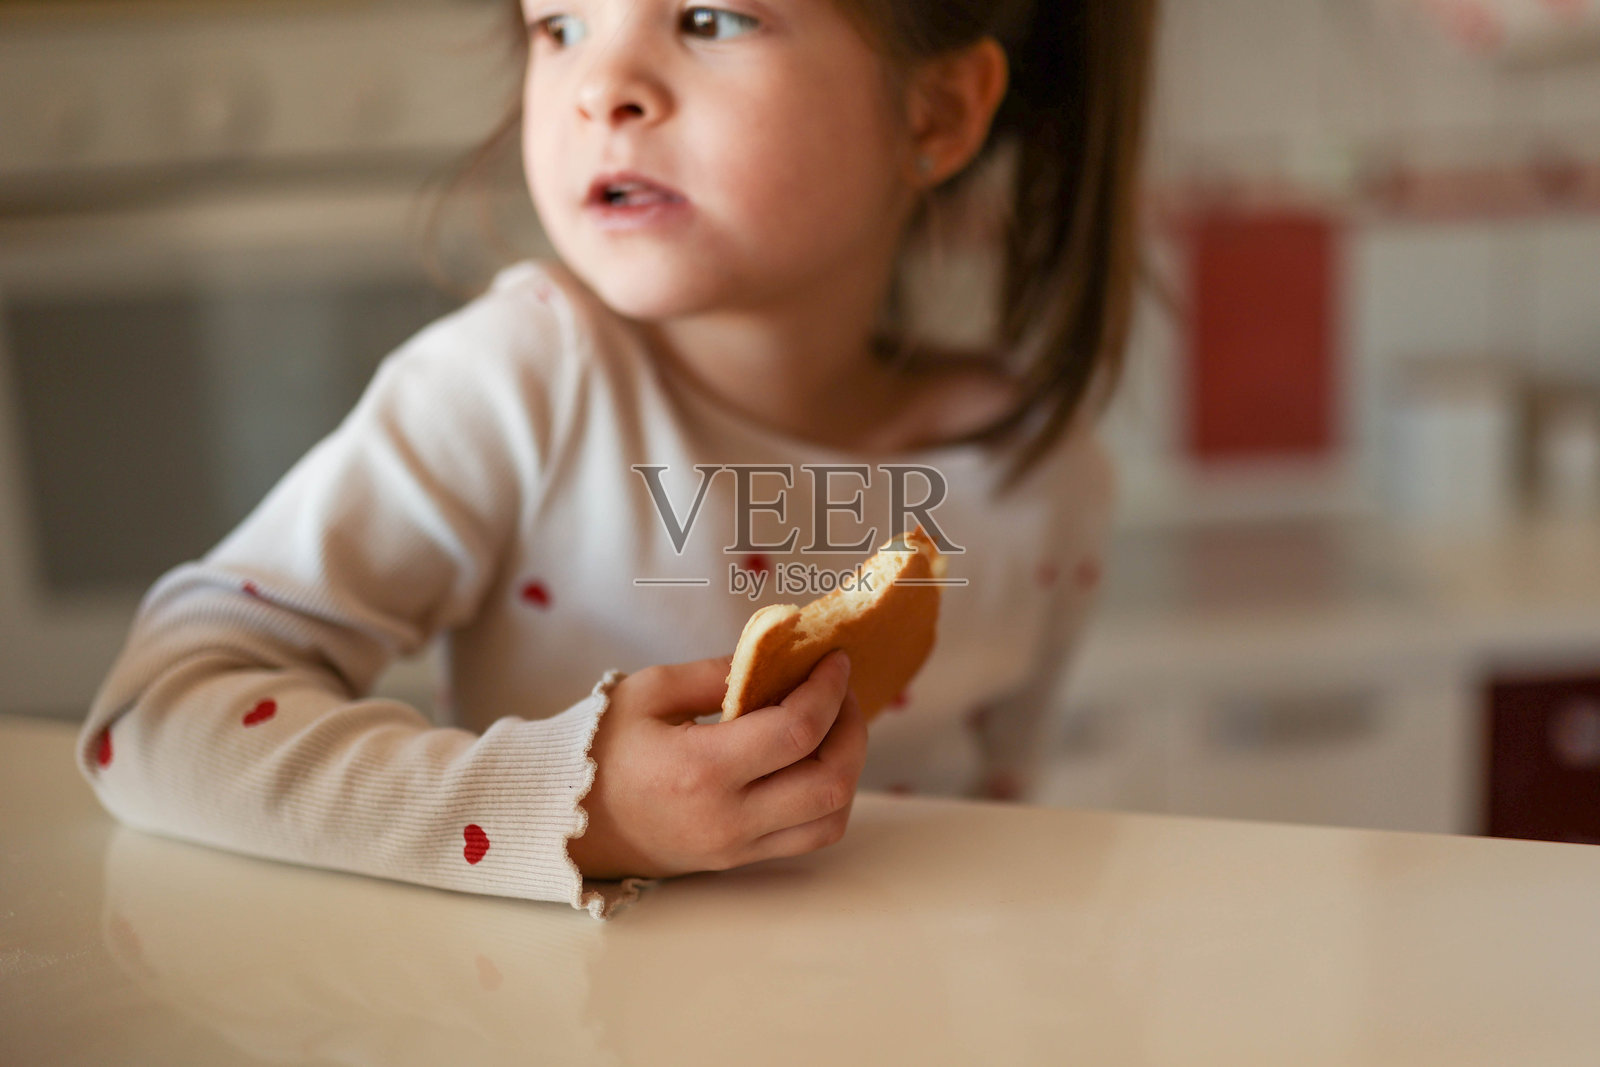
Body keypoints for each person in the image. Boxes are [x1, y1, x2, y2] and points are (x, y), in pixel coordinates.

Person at [76, 0, 1157, 919]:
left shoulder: (1041, 474)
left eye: (708, 18)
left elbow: (1004, 849)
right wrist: (577, 804)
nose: (604, 86)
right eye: (563, 24)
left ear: (936, 111)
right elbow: (156, 716)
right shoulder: (520, 385)